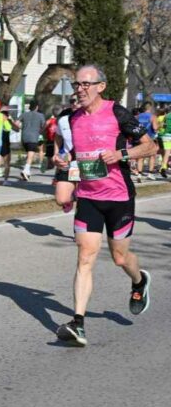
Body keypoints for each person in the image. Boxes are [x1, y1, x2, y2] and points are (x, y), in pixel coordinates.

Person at [52, 64, 156, 346]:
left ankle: (139, 281)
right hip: (88, 197)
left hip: (119, 197)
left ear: (101, 86)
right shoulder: (73, 118)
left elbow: (150, 146)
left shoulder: (117, 113)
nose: (80, 89)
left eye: (86, 84)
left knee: (120, 258)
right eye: (77, 84)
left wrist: (121, 154)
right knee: (85, 257)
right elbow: (75, 153)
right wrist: (64, 161)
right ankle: (78, 323)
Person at [18, 100, 46, 180]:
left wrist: (20, 128)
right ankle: (26, 170)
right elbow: (44, 125)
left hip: (24, 137)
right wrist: (41, 131)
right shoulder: (40, 115)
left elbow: (16, 123)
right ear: (37, 107)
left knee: (29, 154)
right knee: (31, 154)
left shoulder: (24, 114)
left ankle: (27, 173)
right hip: (34, 137)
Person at [135, 102, 159, 179]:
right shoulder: (153, 116)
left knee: (141, 156)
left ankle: (139, 174)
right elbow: (155, 128)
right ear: (150, 108)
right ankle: (150, 173)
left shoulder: (138, 116)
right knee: (152, 155)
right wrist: (159, 126)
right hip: (150, 138)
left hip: (140, 138)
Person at [0, 109, 20, 185]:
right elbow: (17, 129)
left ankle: (5, 180)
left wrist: (11, 122)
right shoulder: (1, 122)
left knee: (6, 163)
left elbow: (17, 129)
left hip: (4, 144)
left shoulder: (7, 122)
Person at [158, 104, 171, 178]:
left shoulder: (166, 116)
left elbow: (163, 125)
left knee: (167, 152)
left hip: (165, 135)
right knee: (167, 152)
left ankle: (163, 167)